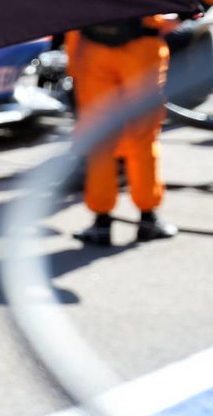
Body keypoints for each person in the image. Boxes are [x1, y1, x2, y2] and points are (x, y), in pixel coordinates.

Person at [67, 14, 181, 246]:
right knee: (142, 138)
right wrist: (184, 15)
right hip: (140, 47)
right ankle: (148, 218)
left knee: (99, 140)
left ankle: (102, 221)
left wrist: (73, 64)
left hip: (93, 47)